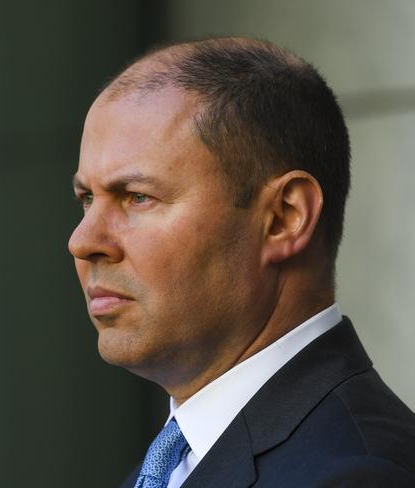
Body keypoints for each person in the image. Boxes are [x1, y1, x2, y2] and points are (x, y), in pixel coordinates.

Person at [68, 37, 415, 487]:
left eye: (137, 197)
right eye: (86, 198)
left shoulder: (358, 475)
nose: (83, 241)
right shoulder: (171, 466)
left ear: (284, 218)